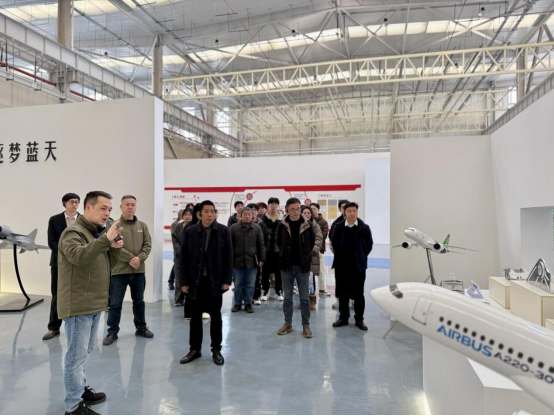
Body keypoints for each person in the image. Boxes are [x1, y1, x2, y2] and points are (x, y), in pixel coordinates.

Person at [58, 191, 124, 416]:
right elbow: (79, 257)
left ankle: (80, 390)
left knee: (83, 352)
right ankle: (73, 407)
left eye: (109, 209)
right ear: (88, 208)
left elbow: (105, 265)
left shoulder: (96, 233)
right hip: (79, 305)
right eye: (103, 208)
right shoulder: (73, 232)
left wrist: (114, 249)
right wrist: (105, 240)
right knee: (75, 357)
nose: (107, 213)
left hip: (94, 303)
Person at [180, 201, 233, 367]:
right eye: (206, 211)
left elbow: (228, 257)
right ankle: (194, 349)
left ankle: (216, 349)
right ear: (200, 214)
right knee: (195, 318)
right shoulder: (190, 231)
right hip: (195, 282)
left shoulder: (223, 231)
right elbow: (183, 258)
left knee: (216, 318)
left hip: (215, 282)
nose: (210, 214)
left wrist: (227, 280)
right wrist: (183, 281)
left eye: (212, 211)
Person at [103, 196, 153, 346]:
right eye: (127, 204)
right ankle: (112, 332)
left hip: (138, 272)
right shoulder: (114, 226)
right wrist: (133, 259)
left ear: (136, 207)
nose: (130, 207)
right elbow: (115, 246)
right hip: (119, 272)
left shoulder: (142, 226)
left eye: (133, 205)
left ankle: (141, 327)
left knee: (139, 302)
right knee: (115, 304)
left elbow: (147, 245)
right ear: (121, 207)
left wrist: (140, 259)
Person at [43, 193, 81, 341]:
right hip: (59, 262)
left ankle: (78, 328)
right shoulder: (54, 220)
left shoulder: (83, 220)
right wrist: (65, 256)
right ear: (64, 203)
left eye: (77, 202)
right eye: (72, 202)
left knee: (78, 295)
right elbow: (51, 241)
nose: (74, 204)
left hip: (79, 263)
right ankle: (53, 328)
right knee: (57, 295)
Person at [331, 202, 373, 331]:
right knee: (342, 293)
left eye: (354, 211)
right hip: (341, 265)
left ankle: (359, 319)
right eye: (349, 211)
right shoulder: (338, 226)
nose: (352, 213)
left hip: (358, 266)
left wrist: (361, 256)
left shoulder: (364, 228)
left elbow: (369, 245)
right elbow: (333, 241)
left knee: (359, 294)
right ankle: (343, 318)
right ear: (344, 212)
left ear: (357, 212)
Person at [277, 198, 316, 339]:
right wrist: (283, 256)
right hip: (286, 266)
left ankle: (306, 325)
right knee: (287, 297)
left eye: (298, 209)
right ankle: (288, 323)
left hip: (302, 266)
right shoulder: (282, 225)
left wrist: (305, 256)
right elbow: (279, 243)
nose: (295, 212)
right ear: (287, 210)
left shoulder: (308, 224)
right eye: (292, 209)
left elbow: (311, 243)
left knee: (304, 298)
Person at [230, 207, 266, 314]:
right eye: (245, 214)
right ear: (241, 215)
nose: (247, 216)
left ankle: (248, 303)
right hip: (237, 261)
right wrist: (230, 260)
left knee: (250, 284)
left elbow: (261, 244)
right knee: (238, 283)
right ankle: (237, 303)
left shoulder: (257, 228)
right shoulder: (233, 228)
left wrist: (262, 258)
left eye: (249, 214)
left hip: (252, 260)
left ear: (252, 215)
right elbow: (230, 245)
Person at [261, 198, 285, 302]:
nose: (273, 206)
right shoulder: (262, 219)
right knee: (265, 272)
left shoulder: (283, 219)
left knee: (279, 272)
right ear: (268, 206)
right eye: (271, 204)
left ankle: (278, 291)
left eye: (275, 204)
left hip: (279, 250)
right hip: (266, 250)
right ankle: (265, 291)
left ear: (278, 205)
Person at [300, 206, 323, 311]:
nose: (306, 215)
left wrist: (311, 250)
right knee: (301, 280)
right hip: (300, 257)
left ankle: (312, 300)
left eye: (308, 213)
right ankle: (303, 300)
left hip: (312, 256)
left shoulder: (315, 225)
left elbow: (319, 239)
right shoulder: (299, 225)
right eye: (304, 213)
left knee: (311, 280)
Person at [330, 199, 349, 309]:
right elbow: (331, 238)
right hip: (340, 257)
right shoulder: (336, 223)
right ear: (340, 209)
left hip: (354, 258)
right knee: (340, 279)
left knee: (353, 280)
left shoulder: (358, 222)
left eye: (347, 206)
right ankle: (339, 299)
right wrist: (333, 248)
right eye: (342, 207)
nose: (345, 209)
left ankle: (353, 299)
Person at [172, 209, 193, 307]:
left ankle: (189, 298)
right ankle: (178, 299)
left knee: (189, 278)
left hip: (191, 258)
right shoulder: (178, 226)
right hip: (179, 257)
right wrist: (181, 252)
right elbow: (174, 240)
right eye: (185, 214)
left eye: (189, 214)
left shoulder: (194, 227)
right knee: (179, 278)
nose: (187, 216)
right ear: (182, 216)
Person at [247, 203, 268, 305]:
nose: (253, 212)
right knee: (244, 279)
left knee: (256, 278)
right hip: (244, 256)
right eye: (251, 209)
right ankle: (245, 298)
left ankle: (255, 297)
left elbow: (264, 242)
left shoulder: (261, 225)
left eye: (255, 210)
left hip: (256, 256)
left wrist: (262, 256)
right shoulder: (240, 225)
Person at [311, 203, 331, 297]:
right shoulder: (306, 221)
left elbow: (323, 236)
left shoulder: (323, 222)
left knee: (321, 270)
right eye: (311, 209)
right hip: (307, 251)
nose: (312, 210)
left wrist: (314, 245)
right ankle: (309, 290)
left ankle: (322, 289)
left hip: (319, 249)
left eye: (314, 208)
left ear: (318, 210)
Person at [168, 209, 184, 291]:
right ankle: (171, 281)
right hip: (177, 249)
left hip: (183, 249)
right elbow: (175, 236)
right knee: (176, 265)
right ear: (181, 216)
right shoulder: (175, 224)